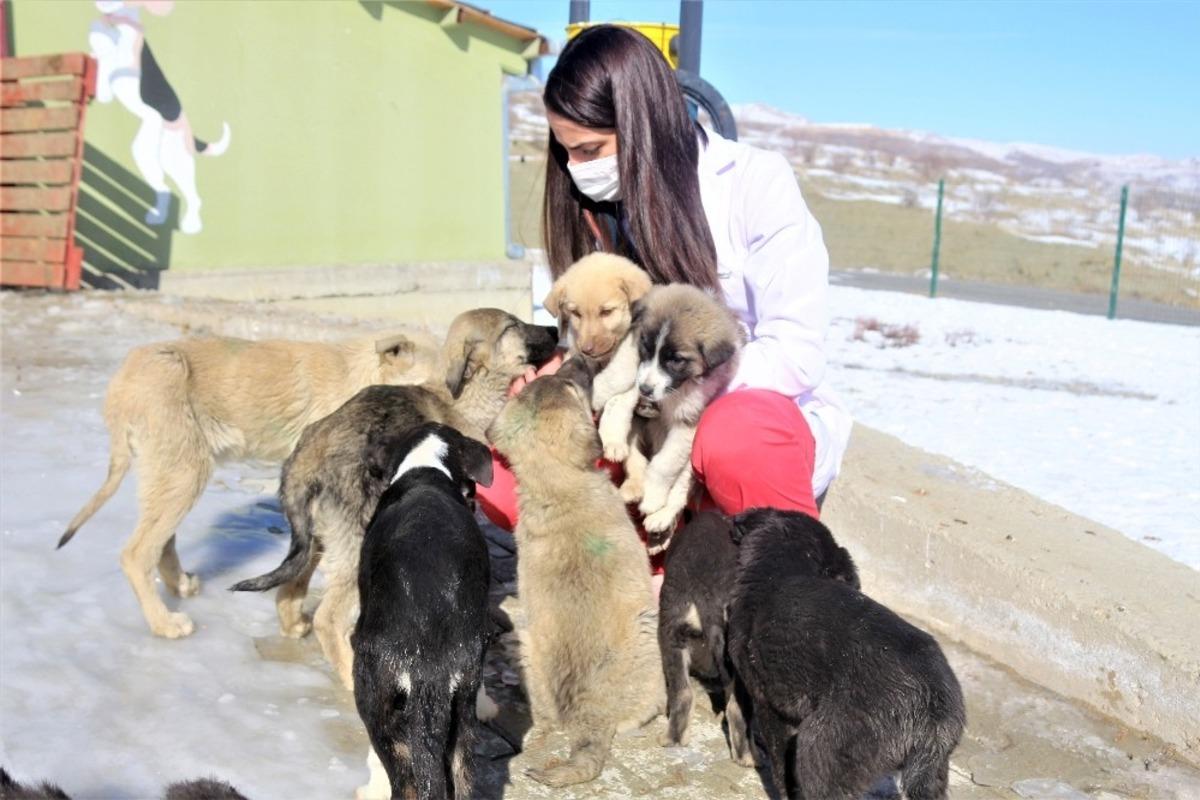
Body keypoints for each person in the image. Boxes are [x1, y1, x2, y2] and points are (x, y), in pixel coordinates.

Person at [476, 24, 852, 541]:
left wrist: (665, 381)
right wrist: (565, 372)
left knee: (738, 438)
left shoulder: (755, 184)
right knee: (504, 475)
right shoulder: (594, 208)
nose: (575, 169)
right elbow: (597, 337)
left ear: (643, 125)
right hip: (639, 416)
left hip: (729, 412)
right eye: (566, 152)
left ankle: (783, 565)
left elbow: (796, 354)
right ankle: (636, 554)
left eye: (589, 150)